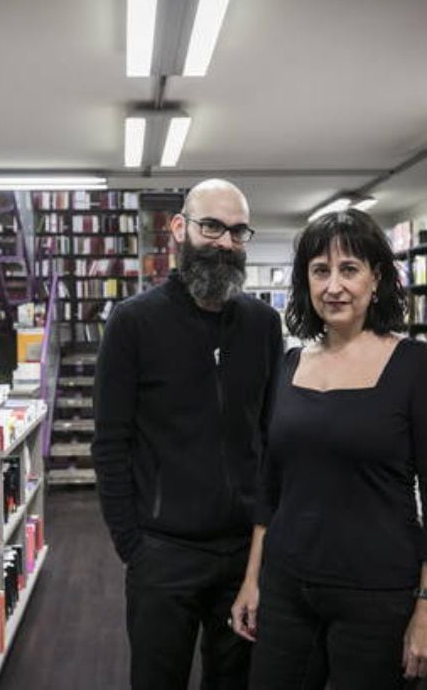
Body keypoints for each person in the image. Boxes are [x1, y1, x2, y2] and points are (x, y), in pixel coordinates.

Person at [231, 208, 427, 690]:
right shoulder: (289, 364)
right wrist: (254, 578)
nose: (333, 285)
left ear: (376, 278)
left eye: (349, 269)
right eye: (320, 271)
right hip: (287, 587)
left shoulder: (415, 366)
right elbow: (269, 486)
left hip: (377, 596)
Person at [92, 178, 283, 690]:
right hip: (162, 554)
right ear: (179, 228)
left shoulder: (264, 324)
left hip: (244, 555)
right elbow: (110, 442)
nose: (224, 242)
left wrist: (262, 546)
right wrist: (132, 544)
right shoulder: (133, 323)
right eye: (212, 226)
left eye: (238, 231)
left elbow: (271, 436)